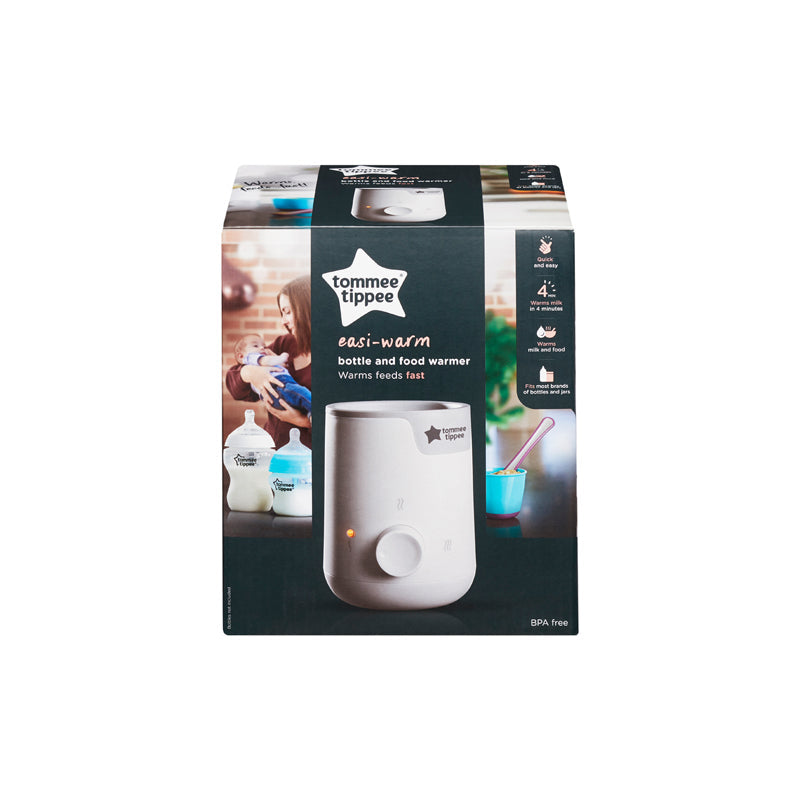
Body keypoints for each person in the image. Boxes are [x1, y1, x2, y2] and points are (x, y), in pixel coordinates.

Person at [226, 276, 311, 449]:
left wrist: (302, 421)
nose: (283, 321)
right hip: (272, 450)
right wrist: (252, 373)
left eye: (288, 312)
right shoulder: (285, 344)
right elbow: (234, 385)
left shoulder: (338, 358)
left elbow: (343, 422)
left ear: (307, 308)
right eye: (282, 313)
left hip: (308, 457)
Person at [232, 333, 311, 417]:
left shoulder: (263, 354)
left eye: (264, 346)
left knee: (300, 400)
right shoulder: (252, 357)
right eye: (255, 346)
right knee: (302, 392)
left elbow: (281, 365)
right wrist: (281, 358)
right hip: (278, 387)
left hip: (275, 395)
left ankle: (309, 414)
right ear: (241, 356)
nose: (262, 348)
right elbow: (267, 361)